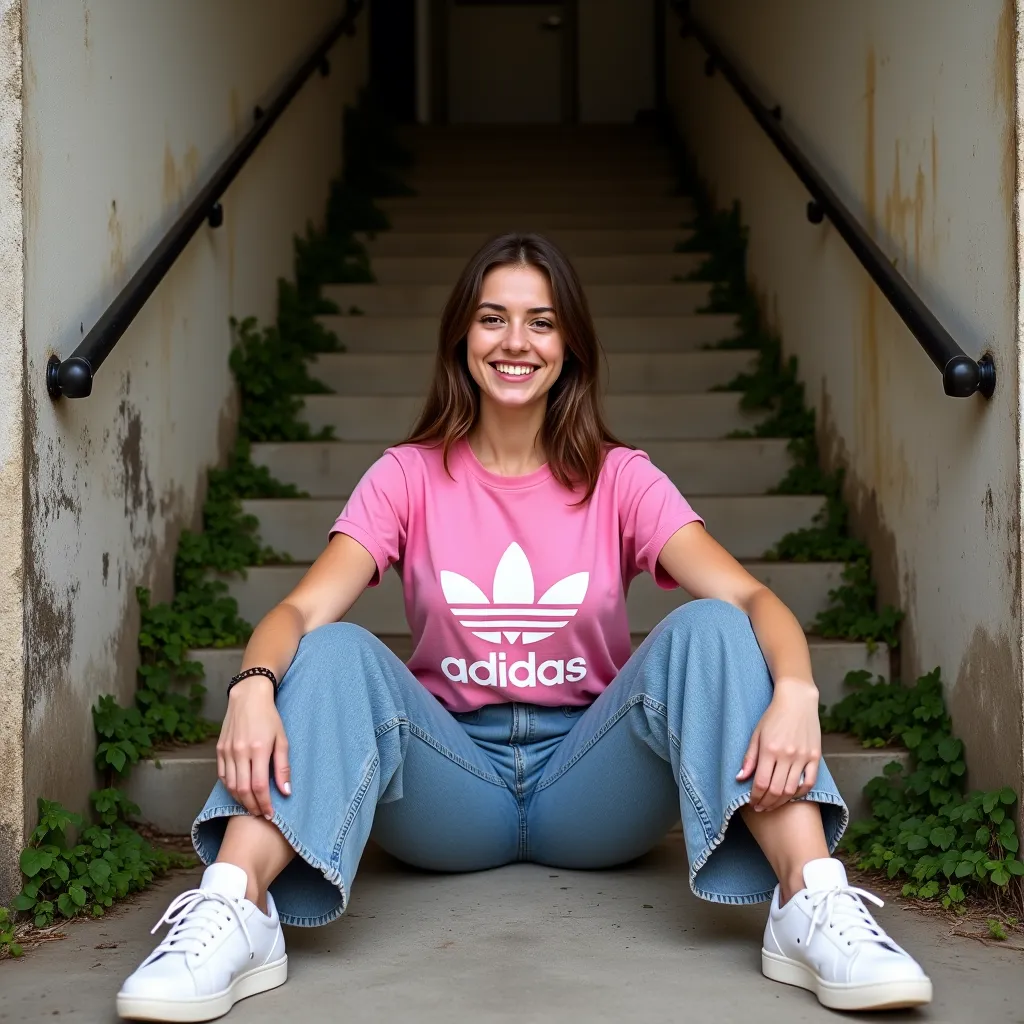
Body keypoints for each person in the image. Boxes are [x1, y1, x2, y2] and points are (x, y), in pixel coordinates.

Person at [116, 233, 932, 1021]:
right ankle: (235, 911)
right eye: (492, 317)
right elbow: (297, 610)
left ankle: (810, 902)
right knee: (329, 648)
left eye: (540, 320)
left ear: (569, 343)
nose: (517, 341)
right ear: (461, 337)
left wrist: (795, 687)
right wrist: (254, 686)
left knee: (713, 626)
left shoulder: (620, 478)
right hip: (451, 783)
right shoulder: (407, 475)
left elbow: (756, 601)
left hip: (590, 779)